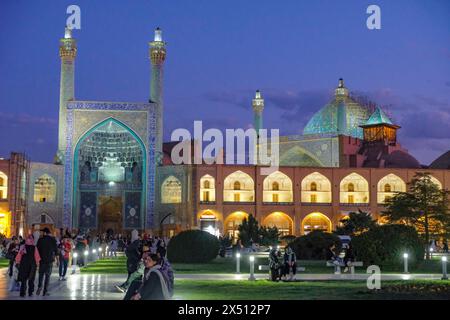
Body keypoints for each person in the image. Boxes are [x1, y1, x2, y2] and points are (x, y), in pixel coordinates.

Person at [36, 227, 58, 296]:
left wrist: (37, 260)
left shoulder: (40, 240)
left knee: (41, 274)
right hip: (49, 260)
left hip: (42, 260)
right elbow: (56, 250)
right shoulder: (53, 239)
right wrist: (57, 260)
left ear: (45, 233)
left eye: (42, 232)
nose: (41, 233)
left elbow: (37, 250)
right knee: (47, 276)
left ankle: (39, 286)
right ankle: (45, 291)